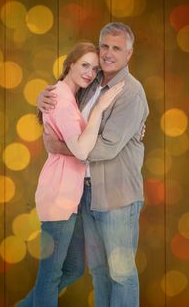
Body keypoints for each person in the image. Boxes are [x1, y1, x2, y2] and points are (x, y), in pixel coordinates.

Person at [37, 22, 149, 307]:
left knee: (121, 273)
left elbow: (108, 147)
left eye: (117, 48)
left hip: (117, 197)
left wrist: (60, 148)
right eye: (105, 46)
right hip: (88, 193)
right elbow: (63, 110)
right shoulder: (91, 84)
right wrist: (41, 100)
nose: (109, 53)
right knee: (99, 271)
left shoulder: (130, 93)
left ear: (129, 54)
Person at [17, 42, 124, 307]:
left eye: (94, 68)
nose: (89, 72)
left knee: (73, 269)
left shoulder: (69, 96)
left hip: (71, 197)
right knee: (50, 274)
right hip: (59, 195)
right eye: (84, 65)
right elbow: (80, 149)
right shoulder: (62, 99)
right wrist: (100, 108)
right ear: (70, 64)